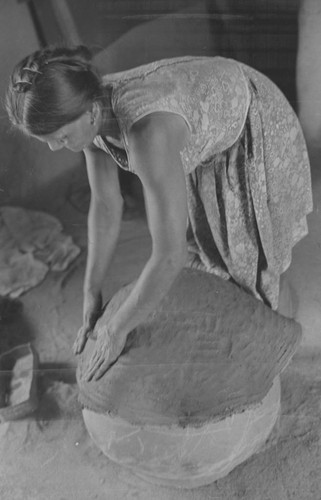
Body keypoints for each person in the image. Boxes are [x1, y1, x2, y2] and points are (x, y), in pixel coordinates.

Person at [5, 45, 313, 381]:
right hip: (202, 108)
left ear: (91, 112)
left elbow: (170, 255)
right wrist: (91, 291)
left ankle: (276, 340)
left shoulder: (147, 134)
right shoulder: (88, 110)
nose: (54, 147)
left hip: (251, 118)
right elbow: (106, 205)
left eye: (60, 137)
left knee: (249, 260)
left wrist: (117, 330)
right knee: (213, 249)